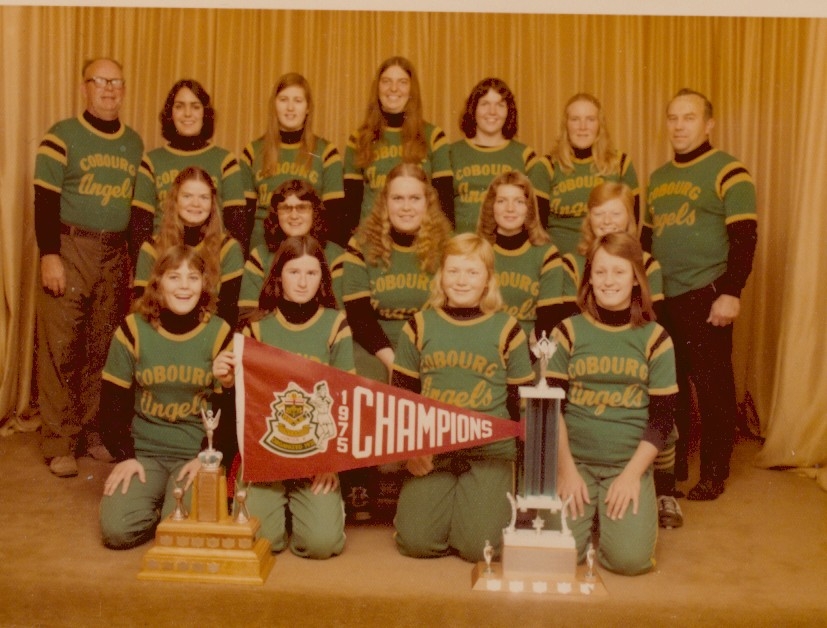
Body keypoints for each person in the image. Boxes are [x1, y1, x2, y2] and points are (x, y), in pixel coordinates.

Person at [642, 88, 757, 501]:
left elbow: (744, 237)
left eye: (688, 117)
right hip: (663, 299)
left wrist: (731, 292)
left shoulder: (729, 170)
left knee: (713, 388)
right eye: (672, 117)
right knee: (668, 390)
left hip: (705, 294)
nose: (678, 125)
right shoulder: (657, 178)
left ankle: (714, 472)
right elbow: (646, 240)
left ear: (708, 124)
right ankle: (673, 469)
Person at [391, 233, 535, 563]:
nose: (461, 280)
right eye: (453, 270)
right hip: (434, 448)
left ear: (488, 279)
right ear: (440, 275)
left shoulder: (508, 328)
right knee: (416, 543)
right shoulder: (419, 326)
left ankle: (476, 512)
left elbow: (520, 407)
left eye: (472, 272)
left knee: (477, 549)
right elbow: (401, 399)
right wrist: (411, 451)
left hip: (490, 452)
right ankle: (443, 512)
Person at [34, 57, 144, 477]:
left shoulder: (133, 144)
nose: (109, 89)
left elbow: (136, 211)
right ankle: (59, 440)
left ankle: (92, 432)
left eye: (117, 82)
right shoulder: (61, 136)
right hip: (70, 246)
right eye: (100, 81)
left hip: (114, 252)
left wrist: (135, 263)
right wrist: (49, 255)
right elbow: (44, 199)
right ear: (85, 87)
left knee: (103, 345)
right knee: (62, 346)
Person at [213, 235, 352, 559]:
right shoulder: (256, 327)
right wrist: (227, 380)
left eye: (311, 273)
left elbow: (345, 398)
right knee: (259, 541)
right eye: (293, 272)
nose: (302, 282)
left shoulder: (335, 324)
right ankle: (279, 510)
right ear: (278, 276)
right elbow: (240, 404)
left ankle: (320, 511)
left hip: (314, 454)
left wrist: (331, 461)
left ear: (322, 279)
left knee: (322, 545)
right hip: (266, 453)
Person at [548, 232, 677, 575]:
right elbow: (552, 408)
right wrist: (565, 471)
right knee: (557, 555)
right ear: (589, 277)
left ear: (636, 279)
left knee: (630, 561)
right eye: (600, 271)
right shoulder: (567, 332)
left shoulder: (656, 339)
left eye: (619, 272)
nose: (608, 281)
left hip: (626, 464)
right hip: (576, 463)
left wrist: (632, 476)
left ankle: (610, 518)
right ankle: (591, 517)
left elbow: (662, 420)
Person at [560, 182, 681, 528]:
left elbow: (648, 315)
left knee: (661, 404)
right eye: (600, 214)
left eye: (617, 214)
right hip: (584, 341)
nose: (608, 222)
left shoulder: (653, 333)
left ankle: (661, 490)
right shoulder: (571, 266)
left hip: (632, 352)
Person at [99, 245, 234, 549]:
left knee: (183, 534)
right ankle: (157, 507)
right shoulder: (132, 330)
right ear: (158, 283)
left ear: (204, 284)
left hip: (195, 456)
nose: (184, 286)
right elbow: (111, 404)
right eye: (174, 277)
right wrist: (125, 456)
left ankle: (168, 512)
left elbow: (231, 412)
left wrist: (209, 459)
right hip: (145, 454)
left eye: (193, 277)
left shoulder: (219, 332)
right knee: (117, 531)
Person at [341, 162, 452, 521]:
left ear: (428, 203)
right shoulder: (360, 244)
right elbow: (358, 315)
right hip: (376, 343)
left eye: (415, 198)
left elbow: (450, 310)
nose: (406, 206)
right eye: (398, 198)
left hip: (428, 341)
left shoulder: (445, 246)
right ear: (384, 203)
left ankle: (420, 475)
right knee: (361, 380)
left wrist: (413, 360)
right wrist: (392, 361)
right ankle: (362, 479)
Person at [130, 78, 249, 256]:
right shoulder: (152, 161)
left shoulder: (225, 161)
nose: (187, 113)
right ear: (170, 113)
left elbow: (238, 228)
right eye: (179, 106)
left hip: (212, 261)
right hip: (164, 262)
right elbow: (139, 229)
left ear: (205, 113)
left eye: (195, 106)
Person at [343, 56, 453, 239]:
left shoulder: (433, 137)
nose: (393, 89)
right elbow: (350, 208)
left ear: (412, 90)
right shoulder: (359, 139)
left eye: (402, 82)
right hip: (372, 240)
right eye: (386, 81)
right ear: (377, 88)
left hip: (423, 243)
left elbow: (446, 204)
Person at [241, 73, 344, 253]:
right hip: (263, 247)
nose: (290, 108)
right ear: (274, 105)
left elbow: (334, 219)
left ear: (308, 108)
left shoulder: (326, 153)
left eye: (297, 100)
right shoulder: (252, 152)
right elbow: (243, 218)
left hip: (309, 250)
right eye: (283, 100)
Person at [133, 166, 244, 328]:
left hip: (209, 337)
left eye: (204, 197)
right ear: (175, 200)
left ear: (213, 204)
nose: (196, 204)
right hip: (161, 333)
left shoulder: (228, 248)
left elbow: (229, 313)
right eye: (187, 196)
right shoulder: (152, 247)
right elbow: (142, 309)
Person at [450, 77, 550, 234]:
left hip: (507, 247)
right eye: (485, 104)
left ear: (509, 111)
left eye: (500, 105)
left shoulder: (525, 155)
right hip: (463, 248)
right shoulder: (452, 153)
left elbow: (534, 215)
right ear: (473, 109)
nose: (492, 112)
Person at [545, 93, 640, 256]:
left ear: (600, 125)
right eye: (575, 119)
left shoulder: (621, 163)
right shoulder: (547, 165)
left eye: (590, 119)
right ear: (566, 125)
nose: (583, 126)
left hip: (608, 262)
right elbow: (536, 228)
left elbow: (632, 222)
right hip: (559, 263)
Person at [237, 179, 346, 321]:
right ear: (276, 214)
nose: (294, 216)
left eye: (302, 208)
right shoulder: (260, 255)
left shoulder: (335, 255)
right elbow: (247, 312)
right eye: (286, 208)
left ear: (315, 212)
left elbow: (340, 315)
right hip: (271, 337)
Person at [476, 170, 565, 341]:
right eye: (502, 201)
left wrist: (522, 359)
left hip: (530, 346)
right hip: (484, 342)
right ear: (491, 206)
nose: (510, 209)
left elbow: (549, 319)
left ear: (529, 208)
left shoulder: (546, 253)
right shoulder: (478, 251)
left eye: (519, 202)